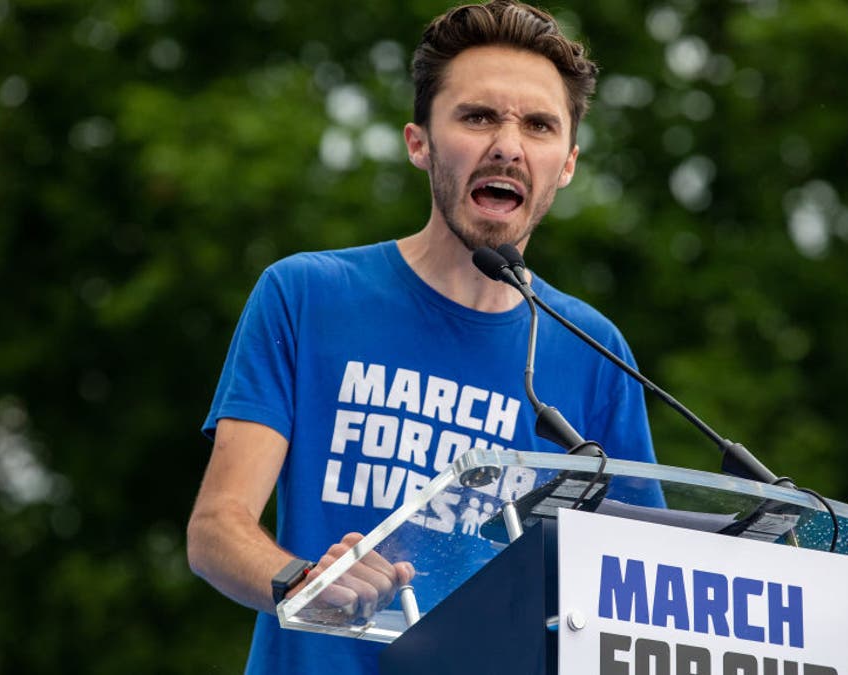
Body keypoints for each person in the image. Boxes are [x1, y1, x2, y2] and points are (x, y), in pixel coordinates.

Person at [187, 1, 659, 672]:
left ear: (567, 164)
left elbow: (635, 594)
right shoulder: (307, 295)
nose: (508, 144)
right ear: (420, 142)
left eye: (538, 125)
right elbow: (215, 529)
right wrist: (303, 582)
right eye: (478, 116)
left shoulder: (592, 348)